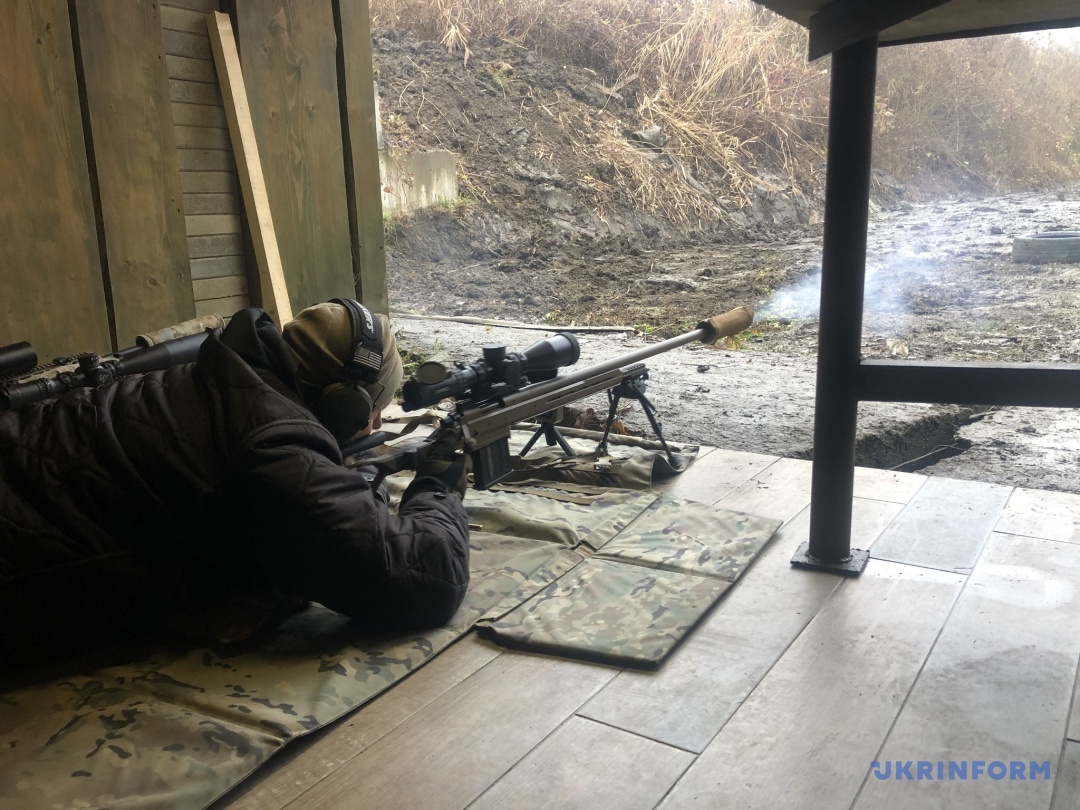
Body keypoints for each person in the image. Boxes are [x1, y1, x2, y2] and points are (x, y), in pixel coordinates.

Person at [0, 299, 471, 666]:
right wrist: (438, 486)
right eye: (373, 410)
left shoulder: (214, 381)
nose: (376, 424)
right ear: (343, 405)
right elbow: (426, 580)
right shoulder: (270, 446)